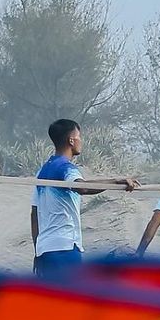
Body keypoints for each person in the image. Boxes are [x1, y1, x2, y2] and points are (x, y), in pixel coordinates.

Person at [31, 119, 140, 278]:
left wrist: (37, 250)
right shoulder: (65, 167)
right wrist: (116, 181)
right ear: (71, 140)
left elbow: (34, 214)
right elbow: (82, 187)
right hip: (65, 247)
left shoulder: (42, 171)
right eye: (79, 136)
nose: (80, 141)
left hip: (45, 249)